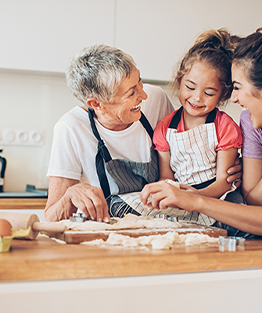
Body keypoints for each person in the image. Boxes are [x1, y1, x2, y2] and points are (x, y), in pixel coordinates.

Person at [141, 8, 262, 240]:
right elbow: (259, 205)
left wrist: (196, 200)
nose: (233, 98)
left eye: (236, 87)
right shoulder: (252, 122)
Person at [44, 44, 242, 222]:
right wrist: (70, 195)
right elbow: (51, 215)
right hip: (111, 234)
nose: (143, 95)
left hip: (164, 224)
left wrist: (227, 170)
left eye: (139, 82)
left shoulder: (155, 99)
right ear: (97, 104)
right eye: (131, 93)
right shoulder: (70, 128)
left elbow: (186, 154)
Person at [152, 29, 242, 226]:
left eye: (209, 93)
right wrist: (175, 195)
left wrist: (196, 197)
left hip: (216, 200)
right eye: (190, 87)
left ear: (223, 95)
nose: (197, 98)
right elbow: (166, 178)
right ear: (179, 81)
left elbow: (224, 182)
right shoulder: (165, 128)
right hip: (180, 198)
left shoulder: (225, 127)